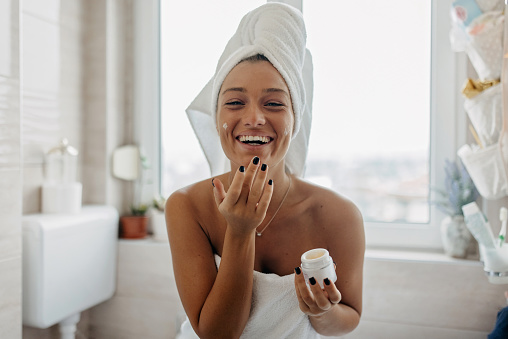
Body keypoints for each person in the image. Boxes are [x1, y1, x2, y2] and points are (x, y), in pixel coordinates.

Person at [166, 3, 365, 338]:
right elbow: (216, 334)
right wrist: (240, 232)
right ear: (218, 119)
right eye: (234, 102)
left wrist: (323, 311)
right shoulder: (187, 206)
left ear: (294, 121)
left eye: (273, 103)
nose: (255, 118)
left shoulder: (339, 215)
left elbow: (350, 316)